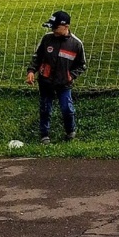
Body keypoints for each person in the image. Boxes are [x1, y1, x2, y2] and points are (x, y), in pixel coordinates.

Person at [25, 10, 86, 144]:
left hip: (64, 84)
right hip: (45, 81)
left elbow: (82, 65)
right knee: (45, 108)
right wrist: (31, 71)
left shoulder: (76, 44)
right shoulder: (47, 39)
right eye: (51, 27)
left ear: (66, 26)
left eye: (55, 27)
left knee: (67, 108)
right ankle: (44, 134)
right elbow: (37, 57)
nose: (53, 30)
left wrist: (71, 76)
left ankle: (70, 131)